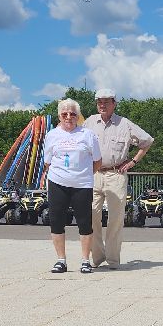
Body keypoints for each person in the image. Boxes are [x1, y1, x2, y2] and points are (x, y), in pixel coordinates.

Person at [85, 89, 152, 269]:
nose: (102, 105)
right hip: (93, 174)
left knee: (115, 219)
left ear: (114, 104)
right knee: (91, 215)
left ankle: (113, 259)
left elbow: (147, 142)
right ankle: (97, 257)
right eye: (99, 101)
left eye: (106, 101)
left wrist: (133, 161)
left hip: (116, 174)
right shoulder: (89, 123)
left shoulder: (125, 124)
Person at [42, 99, 102, 273]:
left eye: (72, 114)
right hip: (57, 183)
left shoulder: (87, 134)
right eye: (64, 114)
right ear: (59, 116)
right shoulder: (52, 135)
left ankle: (85, 260)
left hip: (82, 184)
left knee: (84, 222)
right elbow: (47, 162)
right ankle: (61, 260)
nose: (68, 117)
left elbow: (97, 162)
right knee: (56, 221)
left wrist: (83, 174)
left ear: (78, 116)